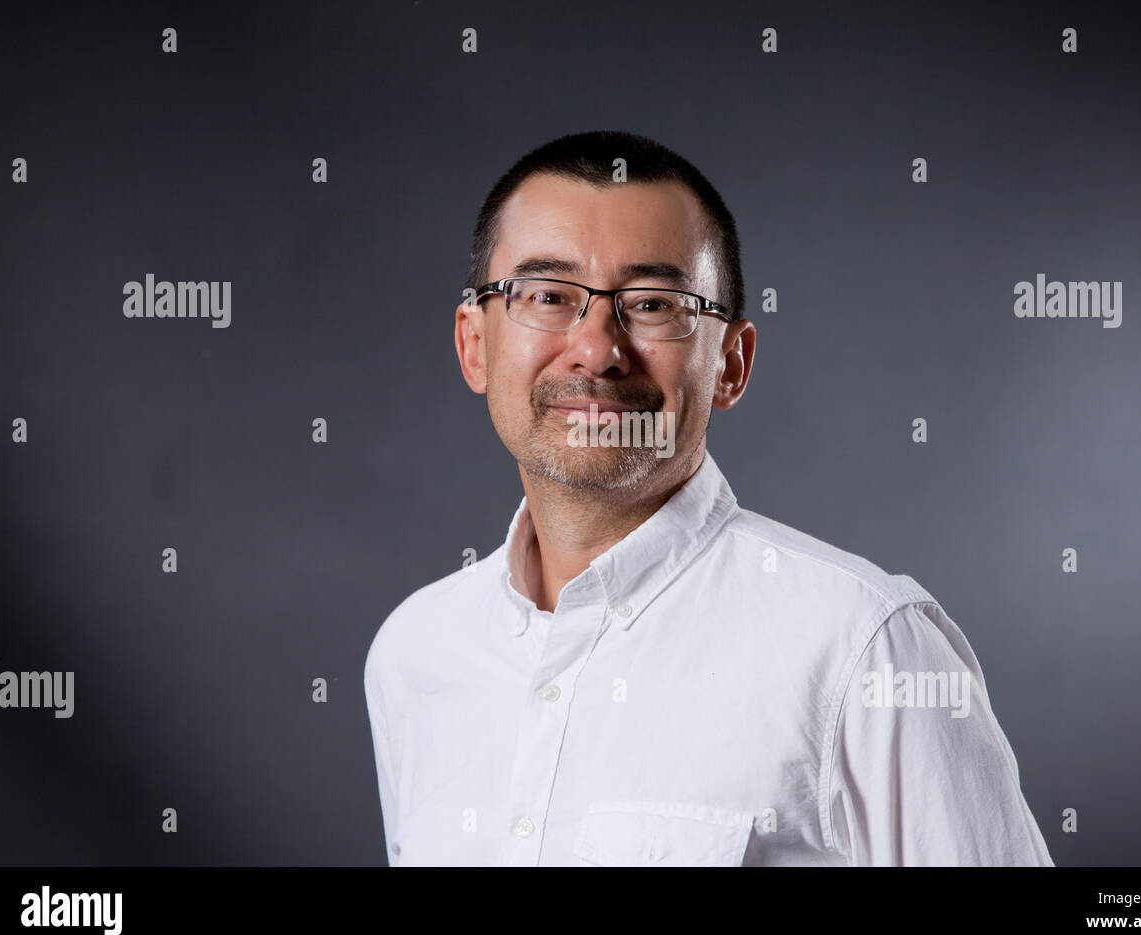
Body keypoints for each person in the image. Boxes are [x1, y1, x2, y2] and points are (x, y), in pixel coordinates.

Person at [364, 129, 1053, 866]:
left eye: (655, 304)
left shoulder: (865, 649)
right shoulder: (414, 654)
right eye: (548, 295)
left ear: (731, 362)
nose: (597, 349)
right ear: (475, 345)